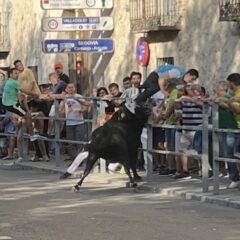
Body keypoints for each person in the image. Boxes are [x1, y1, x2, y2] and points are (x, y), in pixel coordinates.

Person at [2, 68, 41, 141]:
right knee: (27, 115)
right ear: (11, 74)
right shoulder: (14, 82)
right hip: (11, 104)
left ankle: (16, 132)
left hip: (7, 104)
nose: (17, 75)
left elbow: (21, 93)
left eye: (18, 73)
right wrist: (35, 94)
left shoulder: (8, 81)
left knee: (21, 118)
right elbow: (24, 91)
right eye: (15, 73)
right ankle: (31, 135)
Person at [59, 83, 90, 160]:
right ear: (66, 89)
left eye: (72, 87)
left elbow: (85, 107)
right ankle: (74, 158)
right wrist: (62, 101)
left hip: (79, 122)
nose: (71, 89)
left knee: (79, 141)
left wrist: (80, 109)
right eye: (69, 87)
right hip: (69, 122)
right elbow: (61, 110)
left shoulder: (79, 96)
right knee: (70, 142)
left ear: (75, 88)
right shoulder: (65, 98)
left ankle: (80, 159)